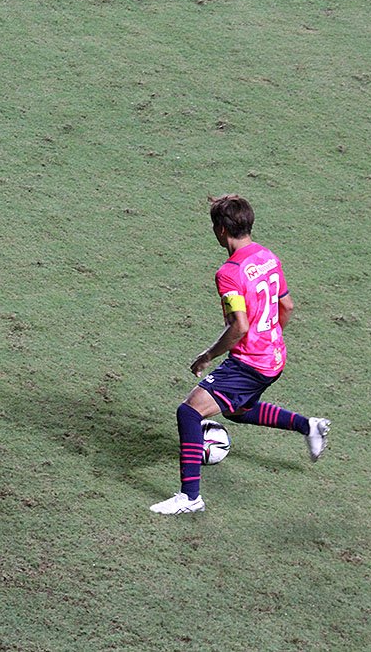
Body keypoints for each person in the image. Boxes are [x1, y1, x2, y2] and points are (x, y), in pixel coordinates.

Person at [150, 194, 330, 515]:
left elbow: (239, 326)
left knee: (189, 412)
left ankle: (190, 497)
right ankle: (309, 426)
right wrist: (268, 339)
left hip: (251, 363)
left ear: (221, 230)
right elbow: (287, 306)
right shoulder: (268, 256)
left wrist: (207, 355)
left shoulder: (229, 272)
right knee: (238, 409)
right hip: (275, 357)